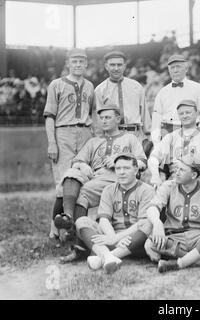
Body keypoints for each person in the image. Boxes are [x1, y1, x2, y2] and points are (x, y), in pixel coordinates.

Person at [57, 104, 147, 263]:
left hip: (119, 177)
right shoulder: (94, 141)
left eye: (108, 117)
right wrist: (83, 165)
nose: (103, 121)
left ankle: (81, 245)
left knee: (84, 191)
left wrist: (119, 159)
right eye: (101, 118)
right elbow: (77, 160)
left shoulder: (130, 138)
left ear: (118, 119)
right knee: (77, 183)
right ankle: (71, 224)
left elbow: (141, 162)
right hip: (97, 178)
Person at [43, 48, 94, 240]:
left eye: (82, 61)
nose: (78, 64)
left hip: (85, 133)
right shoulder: (56, 84)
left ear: (86, 64)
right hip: (62, 132)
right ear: (68, 63)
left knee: (83, 180)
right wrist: (51, 143)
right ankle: (55, 227)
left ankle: (76, 227)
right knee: (62, 182)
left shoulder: (90, 86)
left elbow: (93, 115)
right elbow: (49, 117)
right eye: (75, 61)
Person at [144, 155, 200, 273]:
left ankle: (179, 263)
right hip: (175, 237)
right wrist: (157, 223)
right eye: (176, 168)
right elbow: (153, 207)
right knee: (149, 245)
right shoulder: (168, 185)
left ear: (193, 175)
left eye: (181, 170)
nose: (176, 173)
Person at [75, 153, 155, 274]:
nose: (121, 172)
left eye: (126, 168)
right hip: (112, 238)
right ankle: (108, 257)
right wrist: (112, 238)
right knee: (82, 221)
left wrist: (116, 239)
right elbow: (104, 219)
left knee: (148, 223)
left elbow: (142, 223)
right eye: (118, 168)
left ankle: (104, 257)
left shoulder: (147, 190)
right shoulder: (109, 190)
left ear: (136, 170)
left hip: (135, 241)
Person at [148, 99, 200, 187]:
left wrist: (197, 163)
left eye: (188, 112)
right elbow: (153, 158)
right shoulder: (171, 137)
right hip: (175, 178)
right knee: (162, 193)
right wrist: (155, 176)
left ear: (197, 114)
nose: (184, 116)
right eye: (181, 113)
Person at [150, 54, 200, 146]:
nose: (175, 70)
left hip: (192, 131)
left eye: (178, 67)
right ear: (168, 70)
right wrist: (156, 138)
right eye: (172, 68)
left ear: (186, 69)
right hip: (168, 132)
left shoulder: (197, 88)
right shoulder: (162, 92)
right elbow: (157, 115)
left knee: (192, 159)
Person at [94, 51, 151, 143]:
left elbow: (145, 114)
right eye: (112, 65)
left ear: (124, 66)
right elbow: (98, 120)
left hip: (135, 136)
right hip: (112, 136)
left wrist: (149, 136)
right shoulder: (100, 90)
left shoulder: (136, 86)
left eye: (119, 65)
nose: (116, 68)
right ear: (106, 66)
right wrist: (100, 140)